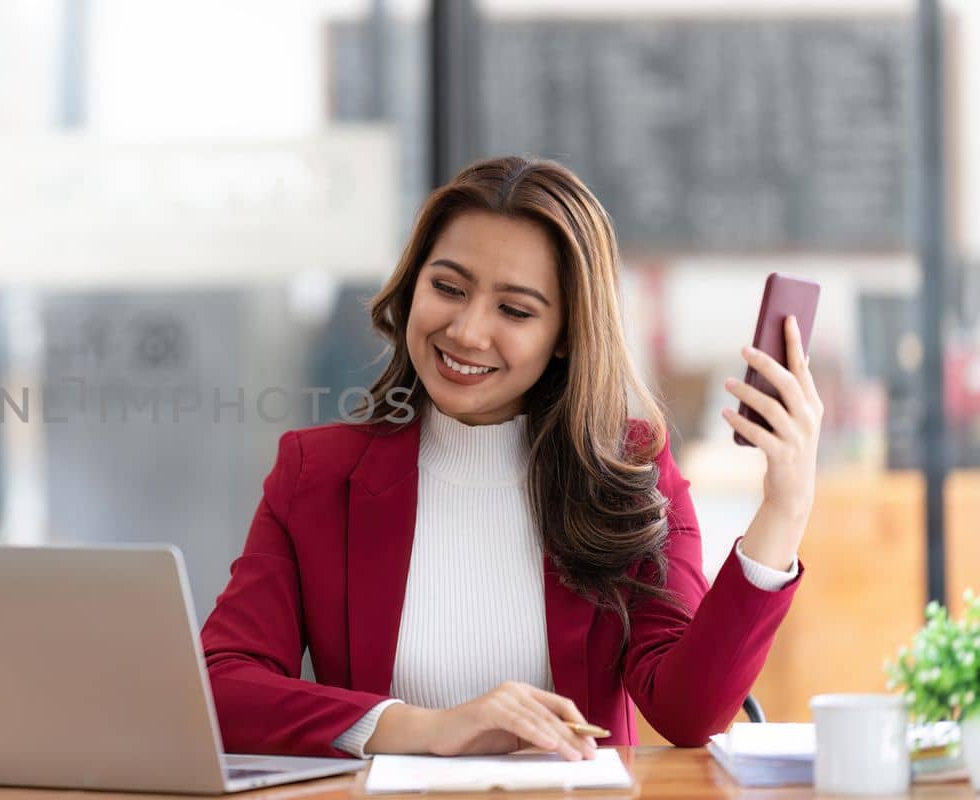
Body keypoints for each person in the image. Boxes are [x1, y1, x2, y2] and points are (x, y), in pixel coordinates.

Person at [199, 156, 821, 761]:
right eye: (447, 287)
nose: (467, 332)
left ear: (566, 336)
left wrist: (785, 508)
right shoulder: (316, 474)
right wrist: (426, 728)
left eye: (515, 311)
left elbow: (689, 713)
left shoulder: (628, 474)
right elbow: (220, 687)